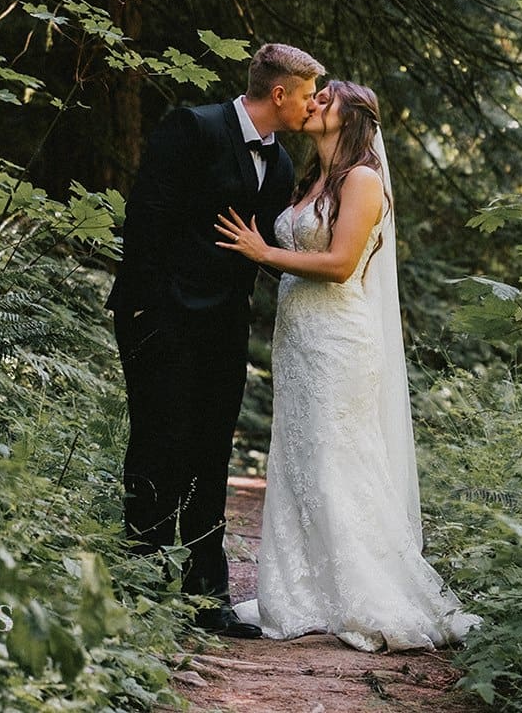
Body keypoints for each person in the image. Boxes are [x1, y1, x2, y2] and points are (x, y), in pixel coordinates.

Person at [214, 80, 481, 651]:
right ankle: (302, 592)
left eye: (326, 97)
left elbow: (337, 265)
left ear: (352, 117)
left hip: (338, 339)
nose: (313, 103)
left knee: (339, 461)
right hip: (300, 343)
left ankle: (366, 593)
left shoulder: (362, 180)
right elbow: (299, 259)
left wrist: (263, 252)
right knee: (302, 459)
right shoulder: (313, 180)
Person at [107, 43, 324, 639]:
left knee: (210, 452)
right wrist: (149, 312)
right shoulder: (193, 127)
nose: (312, 106)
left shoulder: (279, 166)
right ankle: (141, 584)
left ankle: (208, 595)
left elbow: (268, 253)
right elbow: (147, 222)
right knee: (156, 444)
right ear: (279, 93)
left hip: (225, 328)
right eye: (307, 94)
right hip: (161, 319)